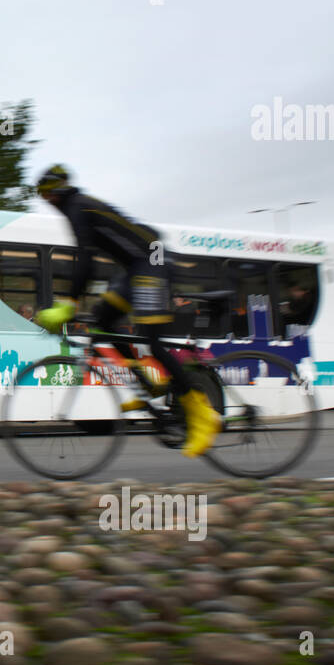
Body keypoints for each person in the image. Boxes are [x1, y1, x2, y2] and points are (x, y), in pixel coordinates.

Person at [32, 164, 222, 458]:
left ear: (55, 192)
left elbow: (86, 261)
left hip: (153, 264)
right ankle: (146, 385)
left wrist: (68, 303)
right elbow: (89, 262)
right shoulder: (77, 206)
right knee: (102, 321)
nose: (47, 202)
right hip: (135, 268)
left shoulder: (77, 207)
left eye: (46, 196)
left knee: (152, 340)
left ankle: (201, 413)